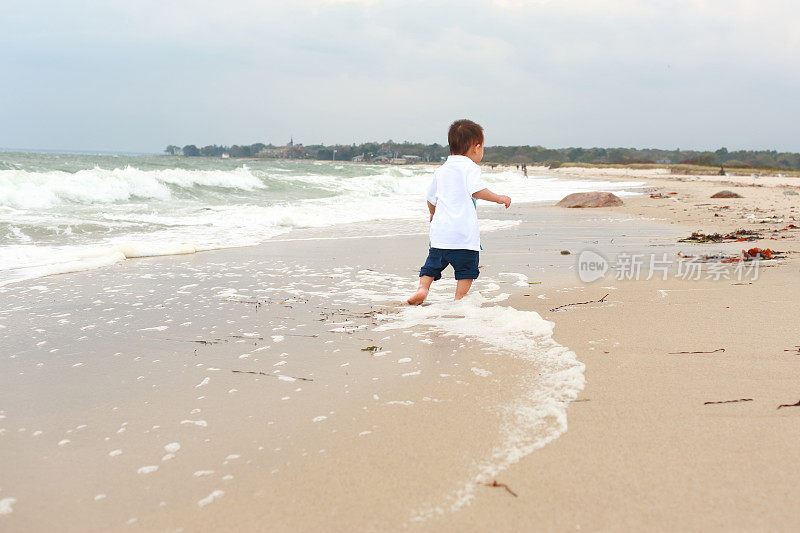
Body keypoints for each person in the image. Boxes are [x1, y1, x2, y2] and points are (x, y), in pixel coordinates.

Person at [407, 119, 511, 305]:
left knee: (431, 266)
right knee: (466, 269)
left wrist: (433, 213)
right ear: (476, 148)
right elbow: (477, 190)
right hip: (463, 236)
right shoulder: (470, 167)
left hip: (440, 235)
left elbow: (430, 198)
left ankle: (422, 288)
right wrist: (499, 198)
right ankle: (459, 299)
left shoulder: (441, 170)